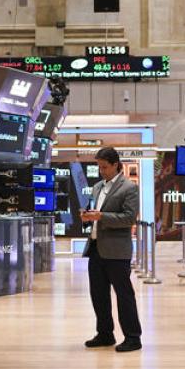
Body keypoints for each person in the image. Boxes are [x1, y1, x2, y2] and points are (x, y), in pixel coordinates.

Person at [80, 147, 142, 353]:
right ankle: (105, 334)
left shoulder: (129, 188)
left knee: (124, 295)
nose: (101, 171)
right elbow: (96, 214)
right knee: (98, 295)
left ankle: (133, 337)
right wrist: (88, 217)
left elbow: (129, 218)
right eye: (99, 167)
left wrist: (101, 216)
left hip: (117, 251)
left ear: (116, 165)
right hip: (96, 248)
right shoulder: (98, 187)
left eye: (104, 167)